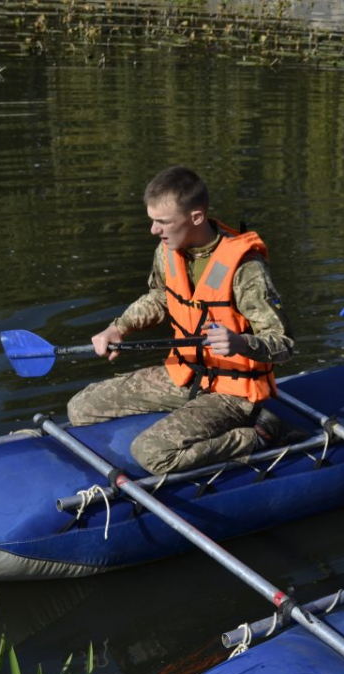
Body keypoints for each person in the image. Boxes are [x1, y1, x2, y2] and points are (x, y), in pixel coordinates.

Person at [66, 166, 296, 476]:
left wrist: (239, 342)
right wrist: (119, 327)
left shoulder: (245, 268)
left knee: (151, 453)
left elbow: (284, 343)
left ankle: (258, 435)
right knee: (80, 407)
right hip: (185, 374)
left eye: (162, 222)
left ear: (196, 217)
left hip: (231, 393)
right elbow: (160, 297)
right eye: (152, 220)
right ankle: (196, 415)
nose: (153, 230)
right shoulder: (168, 250)